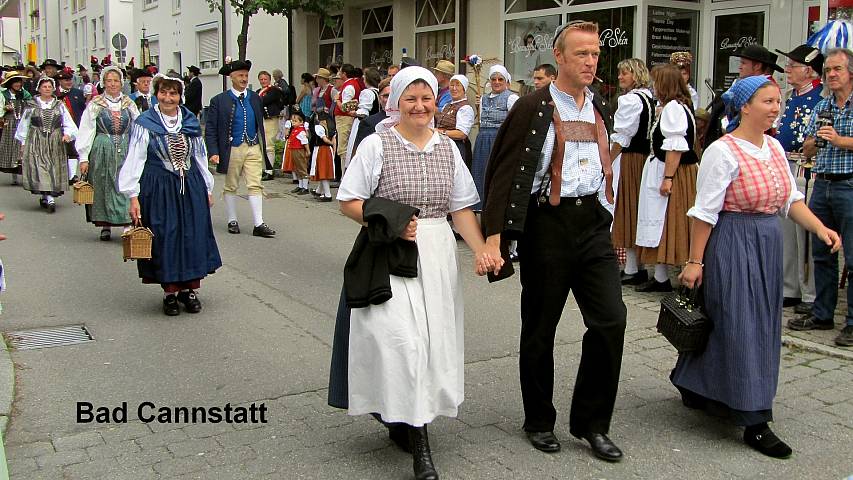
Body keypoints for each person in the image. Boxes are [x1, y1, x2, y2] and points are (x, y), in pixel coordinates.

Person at [336, 66, 499, 480]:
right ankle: (419, 441)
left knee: (430, 344)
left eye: (427, 98)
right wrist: (389, 221)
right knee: (404, 343)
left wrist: (481, 251)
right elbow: (349, 199)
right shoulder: (377, 144)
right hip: (389, 253)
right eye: (411, 98)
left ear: (436, 103)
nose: (420, 106)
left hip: (437, 253)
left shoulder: (447, 148)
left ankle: (404, 418)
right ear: (397, 103)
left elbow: (460, 208)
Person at [481, 20, 626, 462]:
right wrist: (494, 238)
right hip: (548, 227)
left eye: (596, 54)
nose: (590, 61)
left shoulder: (599, 104)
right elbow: (504, 173)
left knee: (611, 321)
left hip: (592, 227)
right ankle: (539, 420)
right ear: (559, 57)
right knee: (541, 330)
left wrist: (606, 213)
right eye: (581, 53)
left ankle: (592, 424)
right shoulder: (531, 107)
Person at [677, 75, 840, 458]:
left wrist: (820, 228)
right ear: (745, 107)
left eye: (777, 100)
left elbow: (790, 200)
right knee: (737, 322)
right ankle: (753, 419)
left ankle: (694, 382)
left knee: (755, 322)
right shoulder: (723, 151)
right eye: (767, 100)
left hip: (767, 242)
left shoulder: (774, 149)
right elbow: (705, 212)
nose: (775, 107)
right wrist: (695, 261)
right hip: (732, 241)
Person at [119, 73, 222, 316]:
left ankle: (189, 289)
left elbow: (199, 156)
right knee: (166, 236)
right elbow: (135, 159)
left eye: (173, 93)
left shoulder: (190, 122)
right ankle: (170, 293)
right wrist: (133, 195)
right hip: (159, 188)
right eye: (164, 92)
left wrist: (207, 187)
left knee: (192, 236)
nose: (168, 98)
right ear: (157, 94)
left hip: (191, 186)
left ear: (180, 96)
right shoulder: (145, 122)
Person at [792, 48, 853, 347]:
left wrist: (840, 140)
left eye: (837, 69)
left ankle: (852, 323)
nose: (830, 74)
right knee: (822, 252)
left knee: (852, 256)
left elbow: (841, 142)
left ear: (850, 72)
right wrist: (816, 141)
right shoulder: (823, 105)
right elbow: (807, 147)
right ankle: (822, 313)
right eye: (827, 70)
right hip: (823, 183)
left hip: (850, 185)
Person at [634, 64, 698, 292]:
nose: (653, 87)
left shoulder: (674, 108)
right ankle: (661, 278)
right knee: (664, 222)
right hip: (668, 169)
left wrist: (668, 177)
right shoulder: (677, 106)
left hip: (674, 172)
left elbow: (675, 147)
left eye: (655, 82)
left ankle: (686, 282)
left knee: (673, 222)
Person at [775, 44, 824, 315]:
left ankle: (809, 291)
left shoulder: (819, 97)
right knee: (786, 231)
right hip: (787, 163)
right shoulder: (790, 96)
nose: (788, 71)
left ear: (808, 70)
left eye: (793, 67)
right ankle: (789, 287)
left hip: (807, 166)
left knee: (804, 234)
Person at [205, 59, 276, 238]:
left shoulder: (254, 98)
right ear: (231, 77)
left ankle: (258, 223)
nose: (244, 79)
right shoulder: (219, 100)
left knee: (255, 184)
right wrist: (213, 151)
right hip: (232, 147)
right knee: (231, 185)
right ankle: (232, 219)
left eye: (246, 75)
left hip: (253, 146)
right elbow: (211, 128)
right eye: (240, 75)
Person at [75, 66, 140, 241]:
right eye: (109, 81)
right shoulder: (95, 104)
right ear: (103, 83)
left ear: (121, 83)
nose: (112, 84)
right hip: (102, 147)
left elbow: (139, 127)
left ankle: (127, 224)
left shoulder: (129, 103)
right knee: (104, 184)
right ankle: (106, 224)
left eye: (116, 81)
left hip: (125, 147)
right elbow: (86, 130)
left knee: (125, 183)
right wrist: (83, 157)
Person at [609, 58, 654, 286]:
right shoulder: (650, 98)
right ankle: (636, 266)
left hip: (630, 159)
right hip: (645, 159)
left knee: (626, 208)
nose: (620, 78)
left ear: (635, 75)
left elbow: (622, 136)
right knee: (637, 209)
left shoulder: (630, 100)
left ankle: (632, 267)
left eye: (624, 74)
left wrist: (607, 160)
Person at [15, 76, 78, 213]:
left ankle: (46, 195)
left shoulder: (59, 105)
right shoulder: (32, 105)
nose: (47, 89)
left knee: (52, 167)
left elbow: (68, 122)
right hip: (36, 139)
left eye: (49, 87)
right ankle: (49, 197)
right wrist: (23, 142)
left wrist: (68, 134)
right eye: (44, 86)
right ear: (39, 89)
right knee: (41, 167)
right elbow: (24, 125)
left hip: (55, 140)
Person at [705, 45, 782, 149]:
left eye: (743, 63)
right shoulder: (740, 84)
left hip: (749, 143)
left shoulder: (766, 88)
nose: (740, 67)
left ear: (757, 66)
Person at [471, 64, 519, 211]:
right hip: (483, 139)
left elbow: (516, 123)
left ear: (506, 81)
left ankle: (496, 205)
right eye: (493, 79)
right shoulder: (483, 98)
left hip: (498, 139)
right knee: (481, 172)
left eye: (500, 79)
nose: (496, 82)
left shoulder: (511, 98)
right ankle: (481, 205)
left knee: (495, 173)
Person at [343, 67, 381, 170]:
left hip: (363, 124)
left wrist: (354, 113)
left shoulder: (367, 92)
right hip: (375, 123)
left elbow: (364, 112)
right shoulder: (378, 92)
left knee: (357, 147)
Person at [435, 74, 474, 170]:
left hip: (458, 147)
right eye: (452, 85)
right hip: (444, 145)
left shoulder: (465, 108)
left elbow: (462, 134)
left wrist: (441, 132)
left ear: (464, 89)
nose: (454, 88)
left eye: (458, 85)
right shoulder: (448, 105)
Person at [55, 68, 86, 184]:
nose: (69, 82)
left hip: (75, 126)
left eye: (70, 80)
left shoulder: (77, 93)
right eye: (66, 80)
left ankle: (72, 176)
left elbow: (83, 109)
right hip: (59, 127)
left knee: (73, 150)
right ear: (60, 81)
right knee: (60, 151)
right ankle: (60, 174)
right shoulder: (54, 94)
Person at [0, 71, 31, 185]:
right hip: (10, 123)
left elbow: (31, 105)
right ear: (10, 83)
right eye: (15, 82)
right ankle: (13, 174)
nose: (18, 84)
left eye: (19, 81)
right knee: (12, 148)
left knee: (22, 148)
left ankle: (24, 173)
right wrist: (4, 108)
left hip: (23, 122)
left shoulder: (25, 94)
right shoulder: (4, 94)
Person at [257, 70, 286, 181]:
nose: (263, 81)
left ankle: (270, 171)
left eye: (265, 79)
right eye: (261, 79)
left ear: (269, 80)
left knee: (269, 145)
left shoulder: (274, 90)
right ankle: (264, 169)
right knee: (262, 145)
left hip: (270, 119)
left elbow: (264, 101)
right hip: (261, 120)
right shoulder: (259, 91)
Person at [333, 64, 362, 169]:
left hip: (345, 119)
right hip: (345, 119)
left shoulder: (349, 86)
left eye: (340, 72)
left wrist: (337, 100)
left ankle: (345, 175)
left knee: (343, 148)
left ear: (344, 74)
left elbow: (346, 107)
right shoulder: (352, 83)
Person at [309, 111, 335, 201]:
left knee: (322, 171)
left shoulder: (319, 127)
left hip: (321, 150)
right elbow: (334, 140)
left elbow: (324, 139)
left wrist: (329, 142)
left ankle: (328, 195)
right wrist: (333, 147)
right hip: (328, 150)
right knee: (324, 170)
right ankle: (319, 191)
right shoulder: (332, 128)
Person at [283, 110, 311, 194]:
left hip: (299, 150)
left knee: (302, 168)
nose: (293, 122)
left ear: (301, 122)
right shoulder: (295, 130)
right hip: (294, 150)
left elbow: (305, 142)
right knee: (297, 168)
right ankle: (300, 185)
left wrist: (308, 151)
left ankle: (305, 187)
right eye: (292, 121)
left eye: (295, 121)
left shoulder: (301, 131)